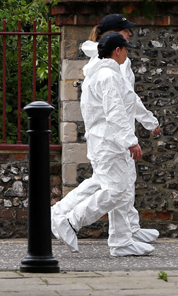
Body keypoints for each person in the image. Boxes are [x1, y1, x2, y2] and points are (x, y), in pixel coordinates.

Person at [53, 14, 162, 249]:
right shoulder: (107, 73)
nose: (129, 36)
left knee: (116, 186)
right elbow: (117, 109)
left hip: (108, 138)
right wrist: (130, 139)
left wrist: (145, 125)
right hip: (109, 139)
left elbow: (124, 103)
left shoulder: (101, 68)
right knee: (115, 189)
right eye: (125, 35)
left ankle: (123, 238)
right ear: (117, 50)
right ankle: (69, 221)